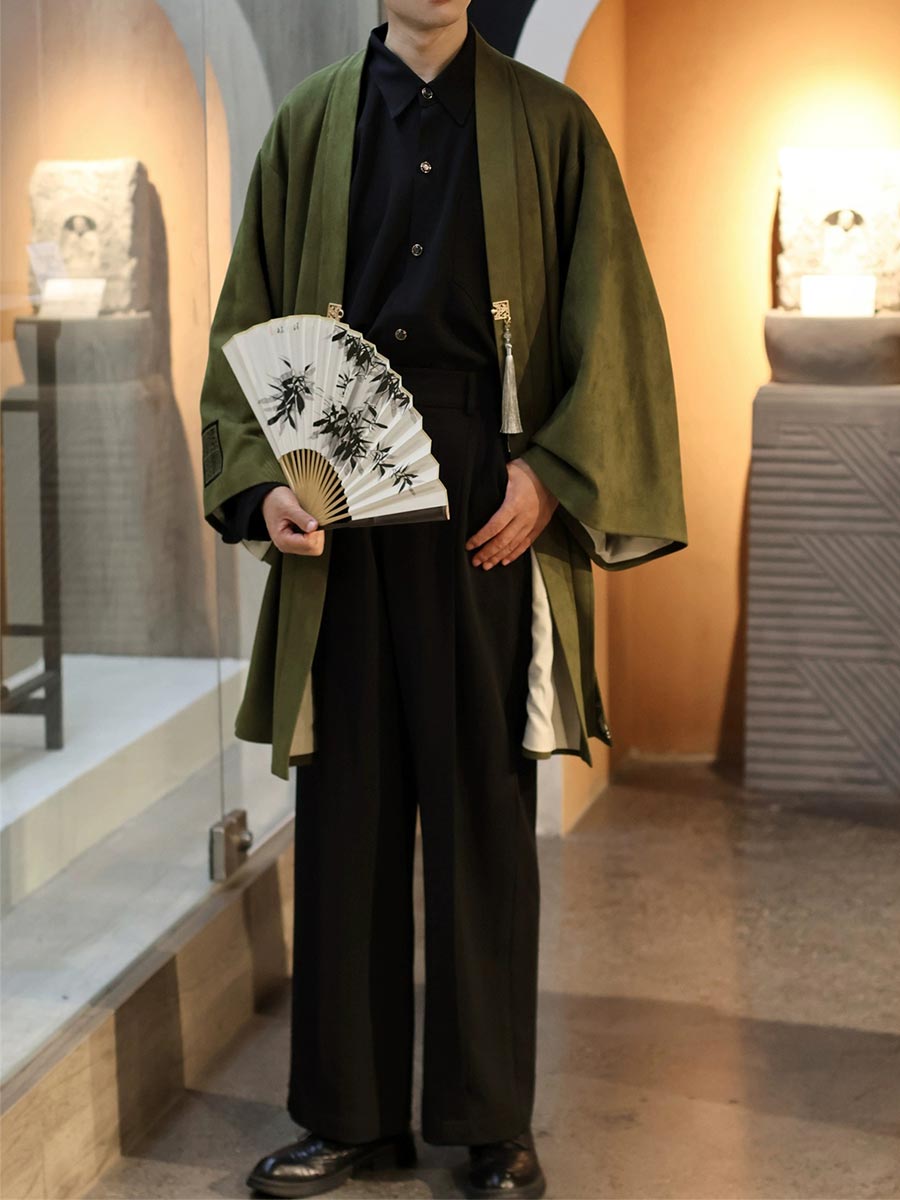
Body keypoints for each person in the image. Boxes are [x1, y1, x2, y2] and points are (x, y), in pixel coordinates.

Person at [198, 3, 687, 1197]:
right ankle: (349, 1116)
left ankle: (491, 1124)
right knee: (347, 813)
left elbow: (616, 323)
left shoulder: (551, 125)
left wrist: (552, 472)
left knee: (483, 819)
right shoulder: (308, 126)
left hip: (486, 495)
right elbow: (244, 325)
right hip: (341, 503)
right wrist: (264, 485)